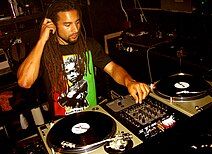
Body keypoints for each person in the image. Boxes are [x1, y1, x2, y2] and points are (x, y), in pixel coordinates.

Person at [17, 0, 150, 117]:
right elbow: (25, 82)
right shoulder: (44, 51)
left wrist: (129, 81)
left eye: (77, 22)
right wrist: (42, 40)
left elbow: (113, 68)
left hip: (93, 115)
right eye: (67, 25)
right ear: (53, 25)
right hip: (62, 123)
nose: (75, 29)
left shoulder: (89, 45)